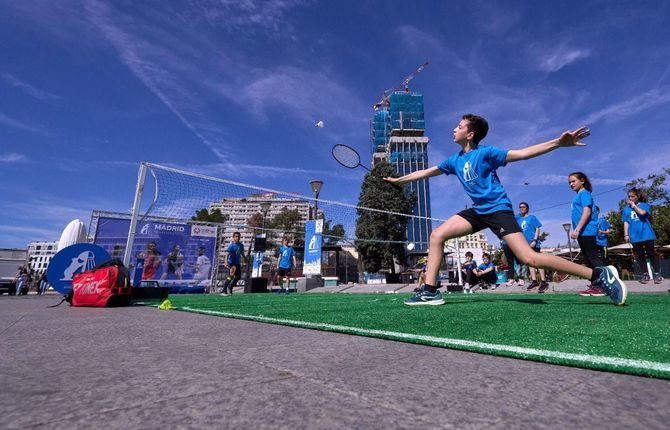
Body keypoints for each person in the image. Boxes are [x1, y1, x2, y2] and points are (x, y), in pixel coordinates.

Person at [384, 114, 626, 306]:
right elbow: (427, 172)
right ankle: (429, 291)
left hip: (498, 209)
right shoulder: (454, 160)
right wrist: (399, 181)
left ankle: (599, 276)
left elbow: (522, 154)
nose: (453, 129)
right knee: (437, 235)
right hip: (478, 211)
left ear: (470, 134)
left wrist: (558, 143)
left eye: (458, 126)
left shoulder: (486, 153)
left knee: (529, 258)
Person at [569, 172, 606, 297]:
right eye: (569, 182)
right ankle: (595, 285)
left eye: (573, 181)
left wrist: (578, 229)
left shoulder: (585, 194)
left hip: (587, 231)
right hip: (582, 233)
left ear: (582, 181)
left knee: (593, 257)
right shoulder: (577, 196)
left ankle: (605, 284)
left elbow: (587, 211)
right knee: (588, 259)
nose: (571, 184)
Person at [623, 188, 662, 284]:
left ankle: (657, 274)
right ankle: (645, 274)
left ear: (638, 196)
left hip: (647, 234)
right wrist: (626, 234)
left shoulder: (645, 205)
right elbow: (626, 222)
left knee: (651, 254)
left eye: (632, 196)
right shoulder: (626, 209)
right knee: (640, 256)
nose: (630, 198)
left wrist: (634, 206)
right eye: (629, 197)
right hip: (635, 236)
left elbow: (642, 213)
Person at [516, 202, 549, 293]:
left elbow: (538, 228)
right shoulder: (518, 219)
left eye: (523, 207)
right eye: (520, 207)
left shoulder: (532, 218)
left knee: (538, 261)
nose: (521, 208)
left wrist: (534, 240)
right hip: (525, 244)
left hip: (534, 243)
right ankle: (534, 281)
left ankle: (543, 281)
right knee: (530, 263)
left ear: (527, 208)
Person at [221, 232, 245, 296]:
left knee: (238, 277)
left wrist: (245, 258)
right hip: (231, 263)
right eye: (236, 236)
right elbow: (227, 255)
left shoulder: (241, 245)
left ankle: (230, 287)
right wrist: (225, 262)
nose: (237, 238)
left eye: (238, 236)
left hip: (237, 263)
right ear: (233, 237)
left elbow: (242, 252)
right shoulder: (231, 245)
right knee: (230, 276)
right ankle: (223, 291)